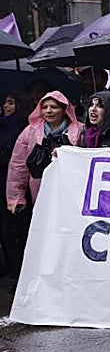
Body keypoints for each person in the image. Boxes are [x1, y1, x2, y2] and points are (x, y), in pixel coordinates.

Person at [6, 91, 83, 215]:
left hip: (72, 193)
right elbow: (18, 166)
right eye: (44, 107)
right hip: (40, 190)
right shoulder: (29, 131)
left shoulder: (80, 131)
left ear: (64, 110)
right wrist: (16, 198)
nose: (48, 111)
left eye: (54, 107)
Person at [0, 94, 31, 283]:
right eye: (4, 102)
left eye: (11, 102)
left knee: (12, 230)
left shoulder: (21, 128)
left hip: (11, 183)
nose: (6, 106)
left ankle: (16, 273)